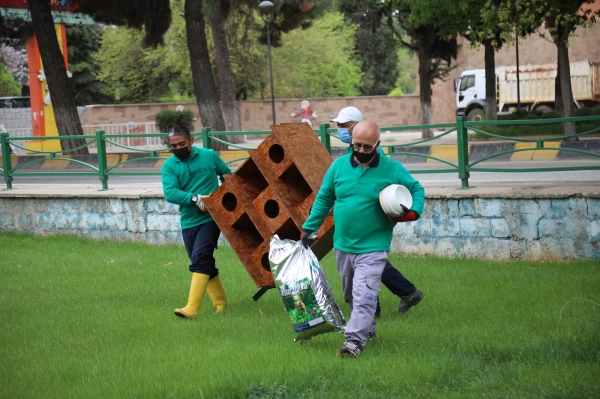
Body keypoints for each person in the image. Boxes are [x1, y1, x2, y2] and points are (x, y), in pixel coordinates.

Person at [301, 121, 425, 357]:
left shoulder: (392, 169)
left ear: (377, 145)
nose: (361, 151)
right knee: (350, 294)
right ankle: (367, 329)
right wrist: (308, 228)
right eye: (357, 145)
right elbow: (324, 198)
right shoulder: (338, 167)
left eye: (367, 147)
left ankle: (354, 342)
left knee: (364, 293)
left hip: (373, 246)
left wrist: (411, 212)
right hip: (343, 245)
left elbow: (417, 190)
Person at [331, 107, 425, 317]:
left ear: (356, 126)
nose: (340, 130)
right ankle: (404, 294)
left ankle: (382, 308)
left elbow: (410, 187)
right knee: (369, 266)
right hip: (355, 231)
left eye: (343, 126)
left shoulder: (375, 157)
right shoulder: (349, 154)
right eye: (338, 126)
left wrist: (411, 213)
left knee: (370, 264)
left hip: (373, 226)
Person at [162, 125, 232, 319]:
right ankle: (221, 305)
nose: (178, 149)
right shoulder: (169, 166)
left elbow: (228, 177)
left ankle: (192, 308)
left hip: (212, 218)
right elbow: (170, 192)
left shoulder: (209, 155)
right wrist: (195, 198)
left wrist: (220, 199)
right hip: (189, 221)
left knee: (200, 256)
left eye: (182, 144)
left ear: (191, 140)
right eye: (173, 146)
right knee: (201, 261)